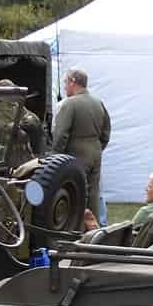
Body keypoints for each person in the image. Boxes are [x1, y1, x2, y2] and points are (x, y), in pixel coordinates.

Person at [51, 68, 111, 218]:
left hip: (75, 153)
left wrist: (55, 158)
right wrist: (98, 147)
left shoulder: (70, 104)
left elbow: (61, 134)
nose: (64, 87)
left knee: (75, 192)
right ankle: (94, 228)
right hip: (95, 151)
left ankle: (76, 228)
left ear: (73, 82)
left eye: (65, 82)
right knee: (93, 193)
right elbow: (106, 131)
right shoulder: (98, 103)